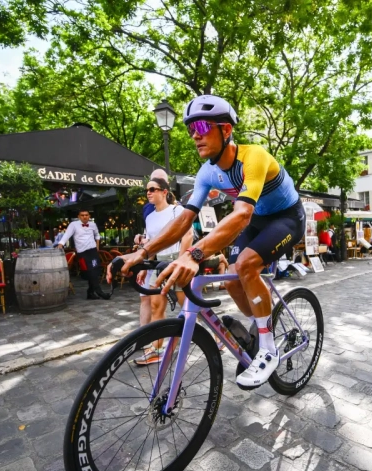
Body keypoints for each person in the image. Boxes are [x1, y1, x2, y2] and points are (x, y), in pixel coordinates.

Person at [110, 95, 304, 388]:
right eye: (190, 129)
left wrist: (194, 253)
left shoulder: (254, 156)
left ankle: (268, 348)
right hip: (258, 221)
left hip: (287, 217)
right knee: (231, 280)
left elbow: (241, 214)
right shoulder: (207, 173)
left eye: (201, 126)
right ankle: (262, 321)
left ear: (226, 130)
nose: (195, 135)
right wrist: (142, 252)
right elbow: (184, 220)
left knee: (247, 265)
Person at [134, 177, 194, 365]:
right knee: (155, 305)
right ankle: (158, 349)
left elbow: (188, 235)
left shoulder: (177, 211)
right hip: (158, 264)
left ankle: (216, 337)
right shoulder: (150, 217)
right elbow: (152, 245)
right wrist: (145, 266)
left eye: (152, 189)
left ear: (164, 192)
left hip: (177, 260)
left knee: (189, 307)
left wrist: (182, 260)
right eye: (147, 190)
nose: (148, 193)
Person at [57, 209, 110, 300]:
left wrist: (97, 246)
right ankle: (99, 292)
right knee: (90, 271)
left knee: (95, 271)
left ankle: (90, 293)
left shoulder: (93, 225)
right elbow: (67, 235)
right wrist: (60, 244)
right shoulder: (73, 225)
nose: (85, 216)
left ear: (89, 216)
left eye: (86, 215)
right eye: (82, 215)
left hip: (93, 251)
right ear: (78, 216)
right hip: (82, 252)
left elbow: (97, 235)